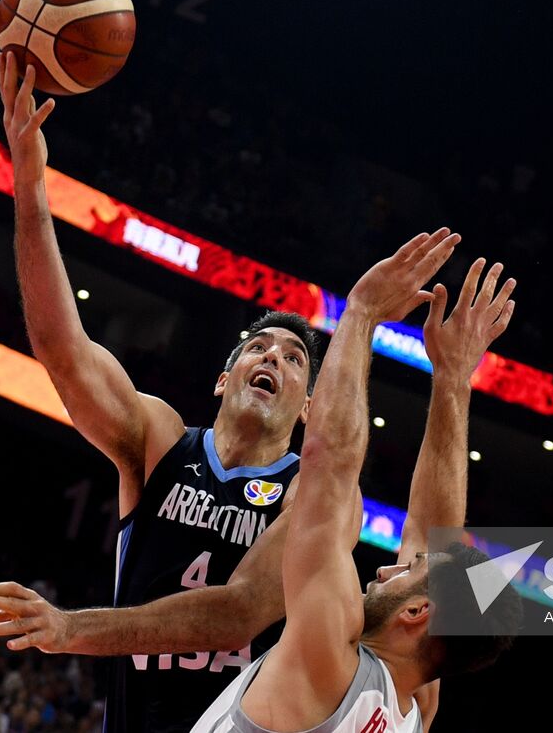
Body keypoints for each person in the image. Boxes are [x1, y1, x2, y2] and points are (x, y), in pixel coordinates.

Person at [0, 53, 362, 731]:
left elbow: (239, 612)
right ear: (224, 378)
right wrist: (30, 182)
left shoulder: (315, 490)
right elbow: (64, 353)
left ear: (308, 409)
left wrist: (73, 629)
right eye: (257, 347)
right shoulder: (159, 441)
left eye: (295, 357)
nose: (273, 354)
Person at [193, 238, 524, 732]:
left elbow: (327, 465)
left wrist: (363, 312)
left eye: (410, 571)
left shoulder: (330, 666)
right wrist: (452, 377)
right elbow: (437, 535)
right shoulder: (412, 710)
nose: (389, 569)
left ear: (416, 611)